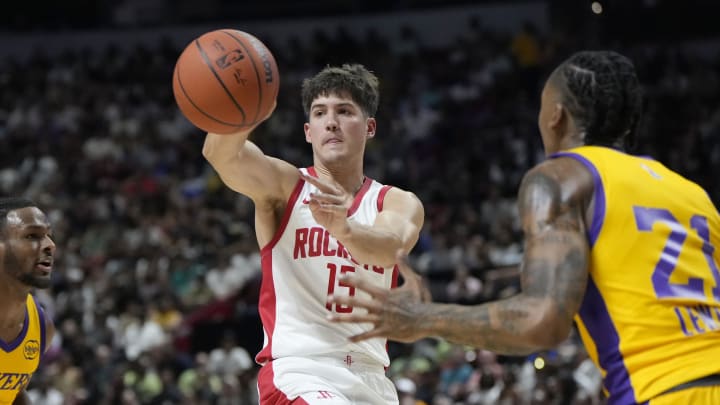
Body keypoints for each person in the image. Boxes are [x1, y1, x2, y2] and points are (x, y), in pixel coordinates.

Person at [328, 51, 720, 404]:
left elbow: (542, 322)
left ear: (556, 115)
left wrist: (423, 319)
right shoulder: (691, 193)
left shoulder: (565, 176)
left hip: (665, 389)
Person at [202, 63, 424, 404]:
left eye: (345, 111)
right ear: (308, 131)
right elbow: (220, 155)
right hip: (300, 372)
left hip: (371, 379)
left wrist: (345, 230)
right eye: (320, 113)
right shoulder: (284, 187)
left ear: (370, 127)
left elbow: (389, 249)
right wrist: (243, 110)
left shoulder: (396, 202)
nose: (331, 121)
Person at [0, 197, 57, 405]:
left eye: (49, 236)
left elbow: (14, 394)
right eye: (32, 236)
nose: (51, 245)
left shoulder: (42, 328)